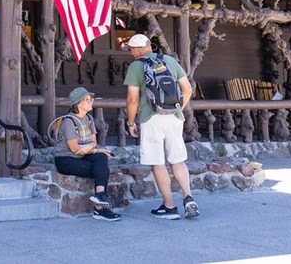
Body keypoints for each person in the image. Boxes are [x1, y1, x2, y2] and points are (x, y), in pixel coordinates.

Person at [123, 33, 199, 220]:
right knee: (177, 160)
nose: (131, 53)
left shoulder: (136, 66)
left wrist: (131, 122)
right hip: (174, 117)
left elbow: (133, 99)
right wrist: (177, 108)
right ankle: (188, 198)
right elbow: (187, 89)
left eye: (132, 49)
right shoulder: (169, 60)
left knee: (157, 162)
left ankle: (169, 206)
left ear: (138, 49)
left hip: (151, 117)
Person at [52, 86, 120, 221]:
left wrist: (93, 149)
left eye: (91, 99)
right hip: (66, 160)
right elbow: (74, 148)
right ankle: (100, 209)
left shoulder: (88, 118)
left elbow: (93, 142)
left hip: (82, 155)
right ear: (78, 103)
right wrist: (93, 149)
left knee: (101, 158)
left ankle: (100, 198)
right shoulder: (69, 121)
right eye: (87, 100)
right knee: (101, 169)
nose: (91, 102)